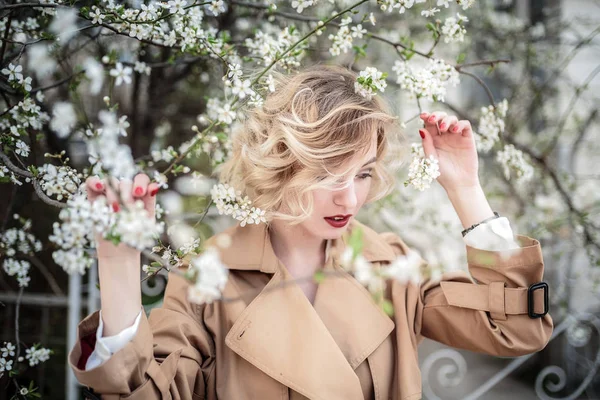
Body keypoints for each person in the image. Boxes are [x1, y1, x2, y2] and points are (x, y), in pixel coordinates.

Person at [68, 64, 553, 400]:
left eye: (363, 173)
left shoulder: (390, 268)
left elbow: (515, 327)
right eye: (328, 176)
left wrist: (466, 189)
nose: (349, 199)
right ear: (282, 167)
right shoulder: (206, 280)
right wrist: (117, 264)